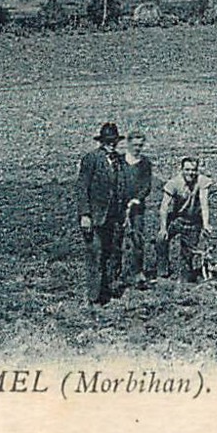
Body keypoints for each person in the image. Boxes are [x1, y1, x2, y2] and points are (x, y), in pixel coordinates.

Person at [75, 121, 127, 305]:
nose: (111, 144)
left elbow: (122, 187)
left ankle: (109, 292)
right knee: (95, 255)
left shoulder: (120, 161)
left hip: (114, 217)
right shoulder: (91, 159)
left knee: (112, 254)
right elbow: (82, 188)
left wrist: (124, 212)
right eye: (108, 141)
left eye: (114, 141)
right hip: (95, 217)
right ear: (101, 141)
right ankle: (93, 298)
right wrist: (85, 214)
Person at [157, 156, 212, 283]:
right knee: (161, 240)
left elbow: (204, 204)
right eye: (187, 170)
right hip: (177, 219)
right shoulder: (174, 183)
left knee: (187, 257)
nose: (190, 173)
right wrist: (163, 228)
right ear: (181, 169)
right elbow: (164, 206)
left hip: (193, 222)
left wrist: (206, 224)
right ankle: (162, 270)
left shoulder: (202, 182)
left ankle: (185, 275)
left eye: (193, 170)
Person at [121, 131, 157, 289]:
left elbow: (147, 185)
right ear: (128, 144)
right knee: (117, 239)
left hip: (137, 208)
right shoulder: (120, 161)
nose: (137, 148)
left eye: (140, 145)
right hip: (118, 206)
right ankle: (116, 273)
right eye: (134, 145)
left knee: (137, 238)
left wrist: (137, 199)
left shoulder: (145, 163)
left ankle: (137, 272)